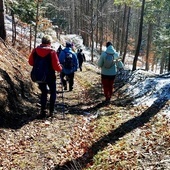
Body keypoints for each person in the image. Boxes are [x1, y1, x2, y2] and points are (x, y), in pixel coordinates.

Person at [28, 35, 62, 118]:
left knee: (44, 92)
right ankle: (51, 111)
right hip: (50, 76)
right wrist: (61, 68)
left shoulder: (35, 50)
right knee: (53, 92)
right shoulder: (52, 52)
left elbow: (31, 62)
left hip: (39, 75)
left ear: (42, 42)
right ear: (49, 43)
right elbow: (56, 67)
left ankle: (43, 111)